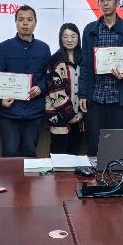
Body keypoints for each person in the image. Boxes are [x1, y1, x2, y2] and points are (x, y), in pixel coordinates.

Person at [79, 0, 123, 156]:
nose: (105, 3)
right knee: (94, 146)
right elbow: (85, 65)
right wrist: (83, 94)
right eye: (102, 0)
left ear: (117, 2)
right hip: (95, 97)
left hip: (119, 97)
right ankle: (94, 175)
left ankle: (115, 175)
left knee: (117, 148)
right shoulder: (90, 29)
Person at [0, 5, 50, 157]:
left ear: (35, 22)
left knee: (30, 153)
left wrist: (40, 88)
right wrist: (0, 101)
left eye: (29, 20)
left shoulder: (44, 48)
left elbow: (48, 77)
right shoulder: (4, 47)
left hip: (34, 111)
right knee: (10, 153)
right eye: (21, 19)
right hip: (10, 111)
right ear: (16, 22)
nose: (25, 23)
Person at [46, 23, 84, 155]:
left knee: (74, 155)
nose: (69, 40)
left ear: (78, 38)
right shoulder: (54, 60)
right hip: (59, 116)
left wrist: (80, 114)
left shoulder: (83, 59)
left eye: (73, 36)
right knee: (58, 155)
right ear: (60, 38)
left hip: (79, 117)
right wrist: (70, 115)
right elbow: (55, 91)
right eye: (65, 36)